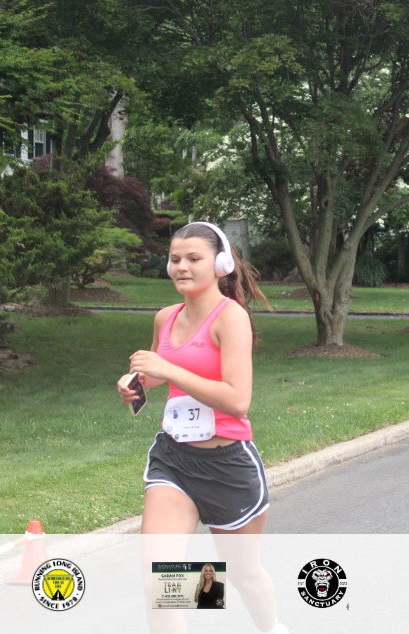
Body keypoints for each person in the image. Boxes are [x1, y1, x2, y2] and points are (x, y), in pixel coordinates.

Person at [118, 221, 287, 634]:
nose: (182, 267)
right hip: (174, 460)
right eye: (175, 259)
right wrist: (134, 382)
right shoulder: (165, 317)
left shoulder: (230, 318)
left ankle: (271, 628)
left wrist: (169, 369)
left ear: (220, 264)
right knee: (161, 580)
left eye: (194, 258)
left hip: (227, 464)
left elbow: (237, 400)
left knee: (243, 575)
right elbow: (155, 374)